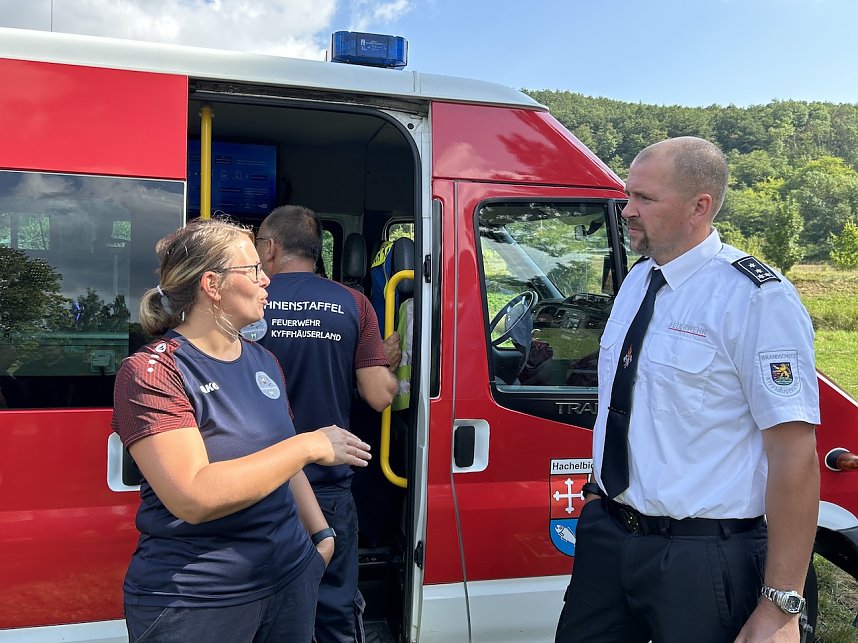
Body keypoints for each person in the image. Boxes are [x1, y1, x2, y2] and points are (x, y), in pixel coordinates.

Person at [555, 137, 820, 643]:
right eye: (628, 194)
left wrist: (783, 606)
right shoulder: (637, 281)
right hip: (609, 539)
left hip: (702, 558)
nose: (627, 210)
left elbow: (794, 454)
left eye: (645, 199)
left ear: (700, 206)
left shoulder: (756, 299)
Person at [111, 217, 371, 643]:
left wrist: (320, 538)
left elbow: (281, 457)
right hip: (200, 601)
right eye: (252, 270)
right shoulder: (152, 372)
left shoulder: (263, 360)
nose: (266, 279)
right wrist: (309, 445)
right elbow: (193, 496)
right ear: (212, 285)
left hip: (289, 580)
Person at [257, 205, 397, 643]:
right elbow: (378, 395)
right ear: (318, 252)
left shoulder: (245, 301)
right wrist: (387, 363)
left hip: (254, 483)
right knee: (333, 608)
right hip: (327, 487)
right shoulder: (353, 303)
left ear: (271, 247)